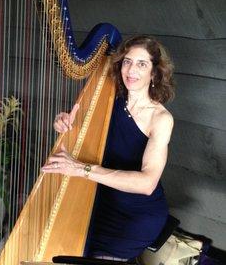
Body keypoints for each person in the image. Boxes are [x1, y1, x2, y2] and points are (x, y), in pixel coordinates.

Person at [42, 35, 175, 261]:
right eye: (127, 61)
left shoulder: (160, 118)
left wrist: (81, 170)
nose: (131, 70)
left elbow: (146, 184)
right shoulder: (109, 97)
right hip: (100, 200)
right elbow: (81, 135)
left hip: (135, 213)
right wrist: (64, 122)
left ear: (154, 72)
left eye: (142, 64)